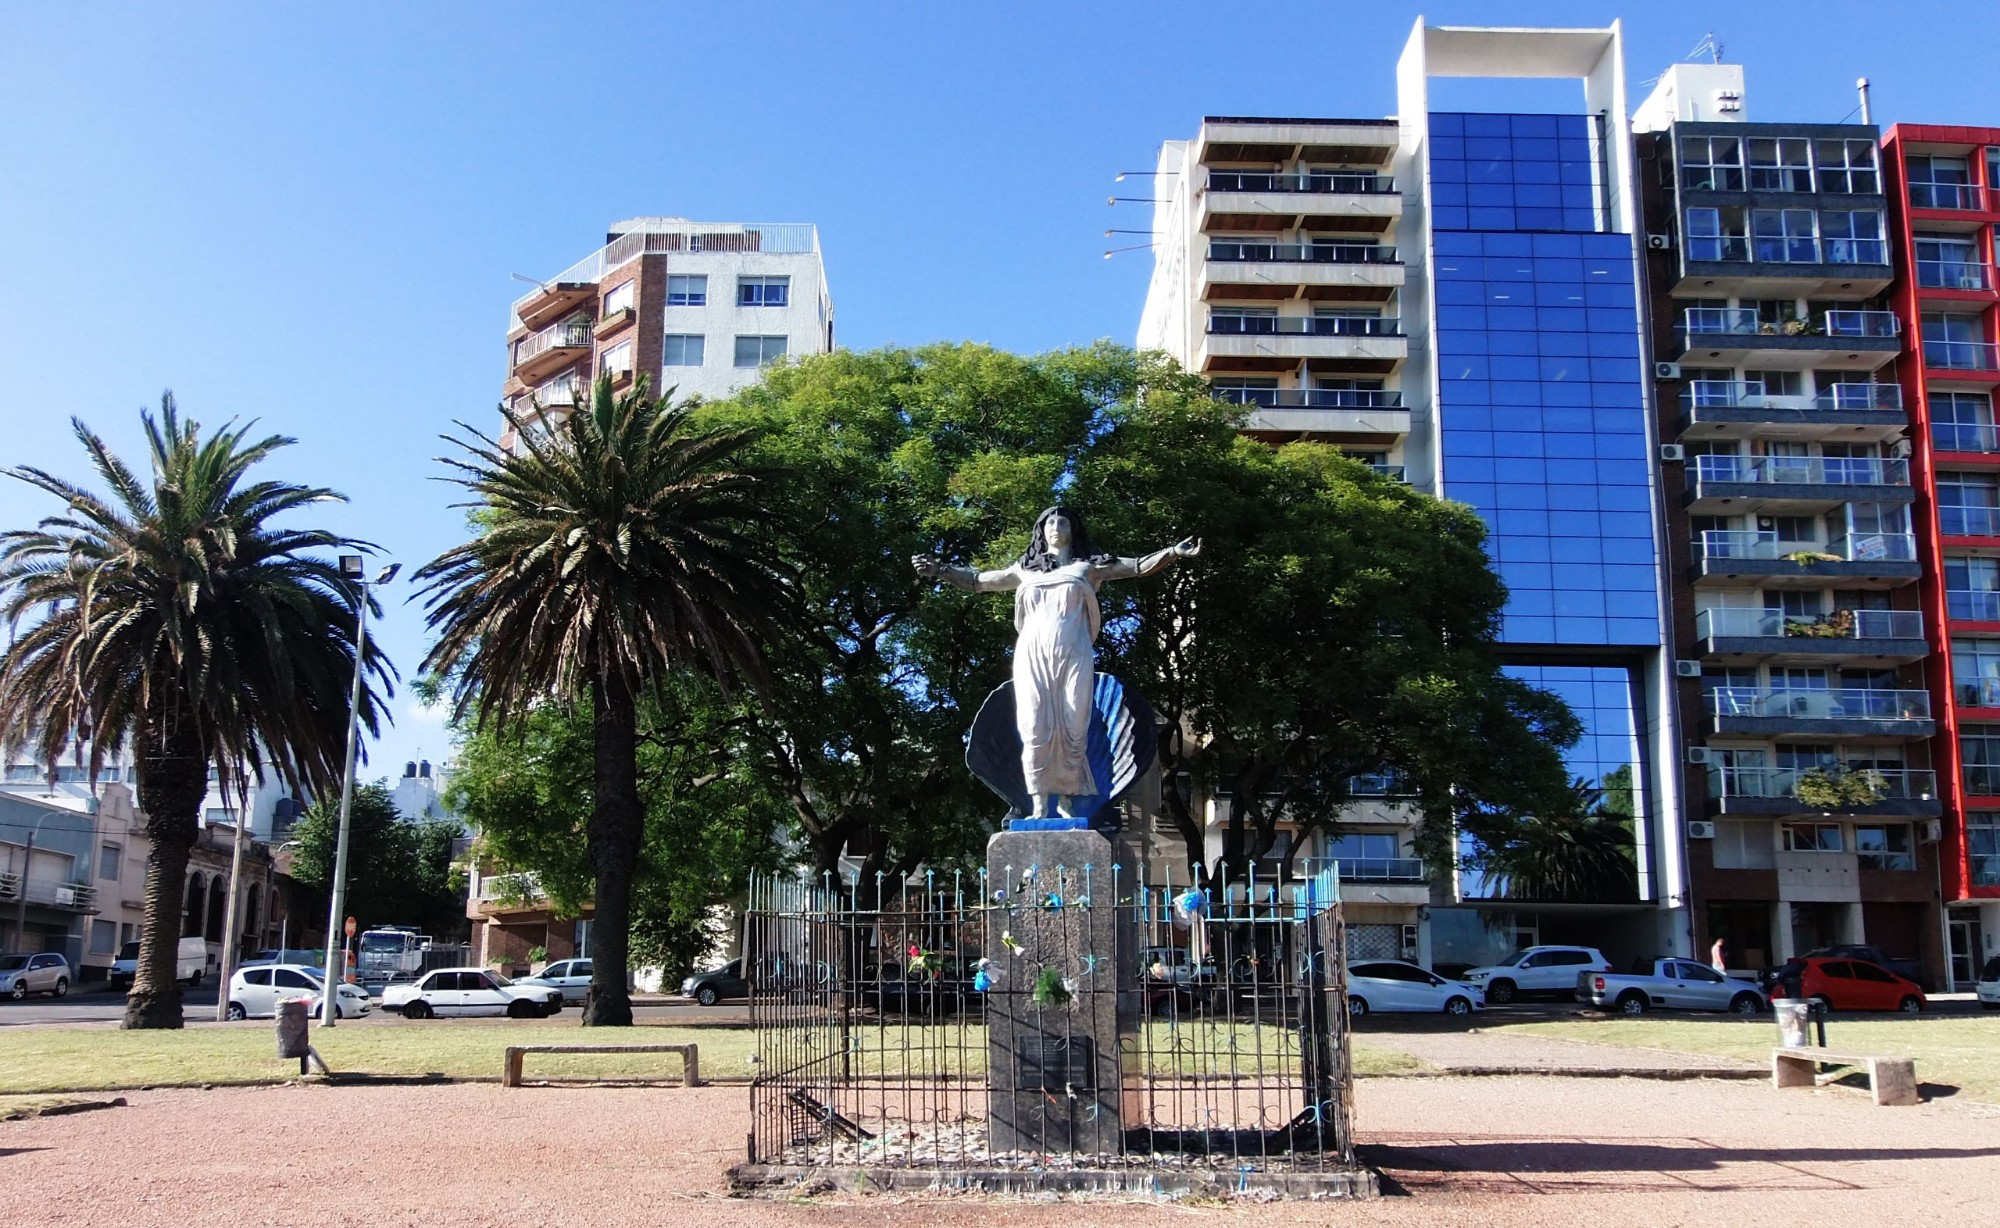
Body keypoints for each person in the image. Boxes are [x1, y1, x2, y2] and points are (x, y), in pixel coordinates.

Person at [914, 506, 1198, 818]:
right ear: (1040, 530)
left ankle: (1068, 794)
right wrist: (940, 569)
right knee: (1034, 727)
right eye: (1049, 521)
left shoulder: (1088, 566)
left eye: (1062, 521)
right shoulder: (1025, 569)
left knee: (1075, 725)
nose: (1056, 526)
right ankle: (1038, 802)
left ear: (1073, 529)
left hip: (1073, 654)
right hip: (1032, 655)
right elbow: (978, 580)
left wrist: (1173, 552)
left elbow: (1138, 566)